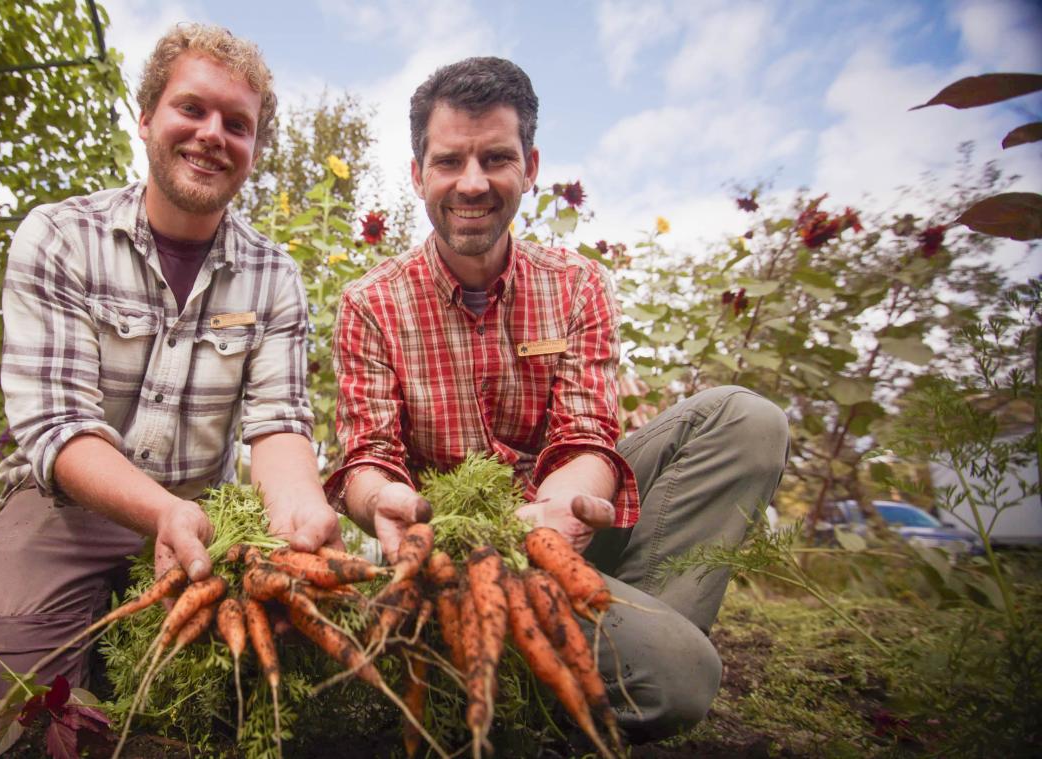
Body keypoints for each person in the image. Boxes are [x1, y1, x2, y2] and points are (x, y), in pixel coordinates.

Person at [326, 57, 789, 740]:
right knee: (681, 676)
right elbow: (369, 456)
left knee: (747, 419)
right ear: (419, 171)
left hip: (559, 531)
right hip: (454, 561)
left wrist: (551, 511)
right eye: (450, 160)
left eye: (496, 158)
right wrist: (376, 500)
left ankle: (594, 666)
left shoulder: (578, 285)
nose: (473, 182)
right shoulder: (370, 304)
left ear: (531, 165)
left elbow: (586, 432)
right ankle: (617, 671)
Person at [0, 23, 340, 713]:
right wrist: (160, 513)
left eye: (237, 123)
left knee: (249, 689)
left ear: (253, 150)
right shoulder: (62, 237)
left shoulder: (274, 275)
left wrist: (302, 511)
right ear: (147, 117)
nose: (214, 133)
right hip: (67, 506)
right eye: (193, 108)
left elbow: (278, 425)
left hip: (207, 517)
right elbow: (59, 429)